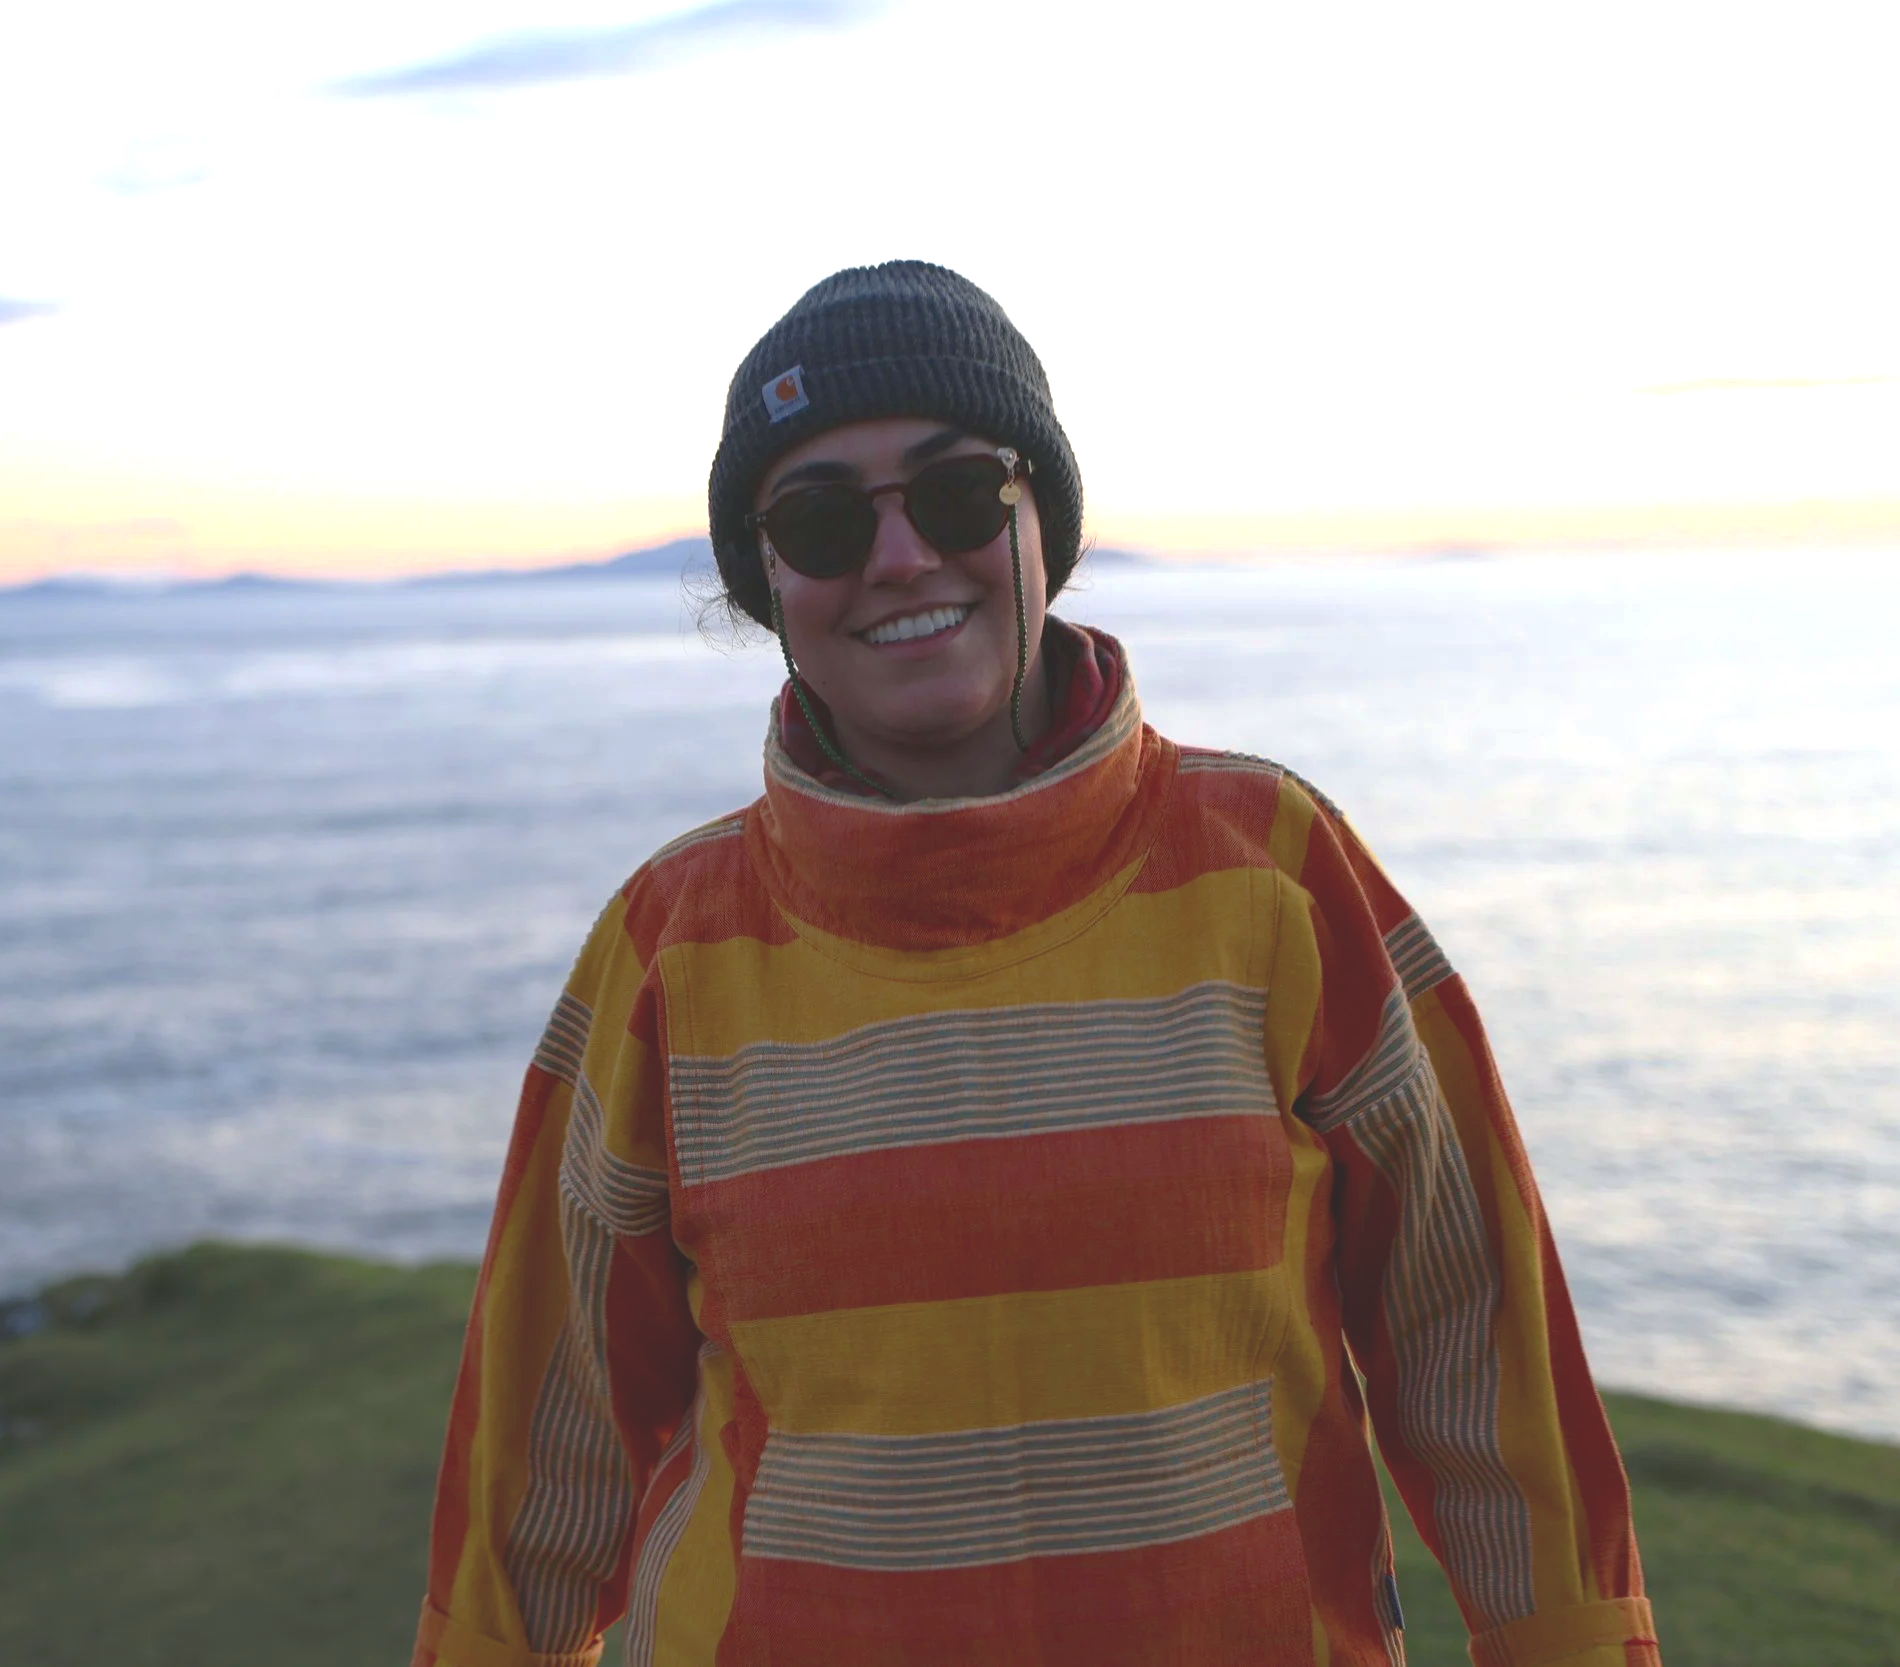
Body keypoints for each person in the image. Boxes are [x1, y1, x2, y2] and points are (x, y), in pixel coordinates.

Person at [412, 261, 1660, 1667]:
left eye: (957, 493)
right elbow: (546, 1451)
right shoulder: (666, 948)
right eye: (821, 520)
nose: (900, 558)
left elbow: (1477, 1345)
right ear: (769, 579)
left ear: (1040, 525)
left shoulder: (1278, 873)